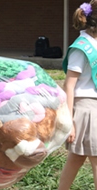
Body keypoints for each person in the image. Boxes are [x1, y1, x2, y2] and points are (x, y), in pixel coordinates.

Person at [58, 1, 97, 189]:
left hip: (93, 107)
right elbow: (69, 85)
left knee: (76, 158)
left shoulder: (93, 43)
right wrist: (70, 120)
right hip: (85, 108)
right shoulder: (81, 47)